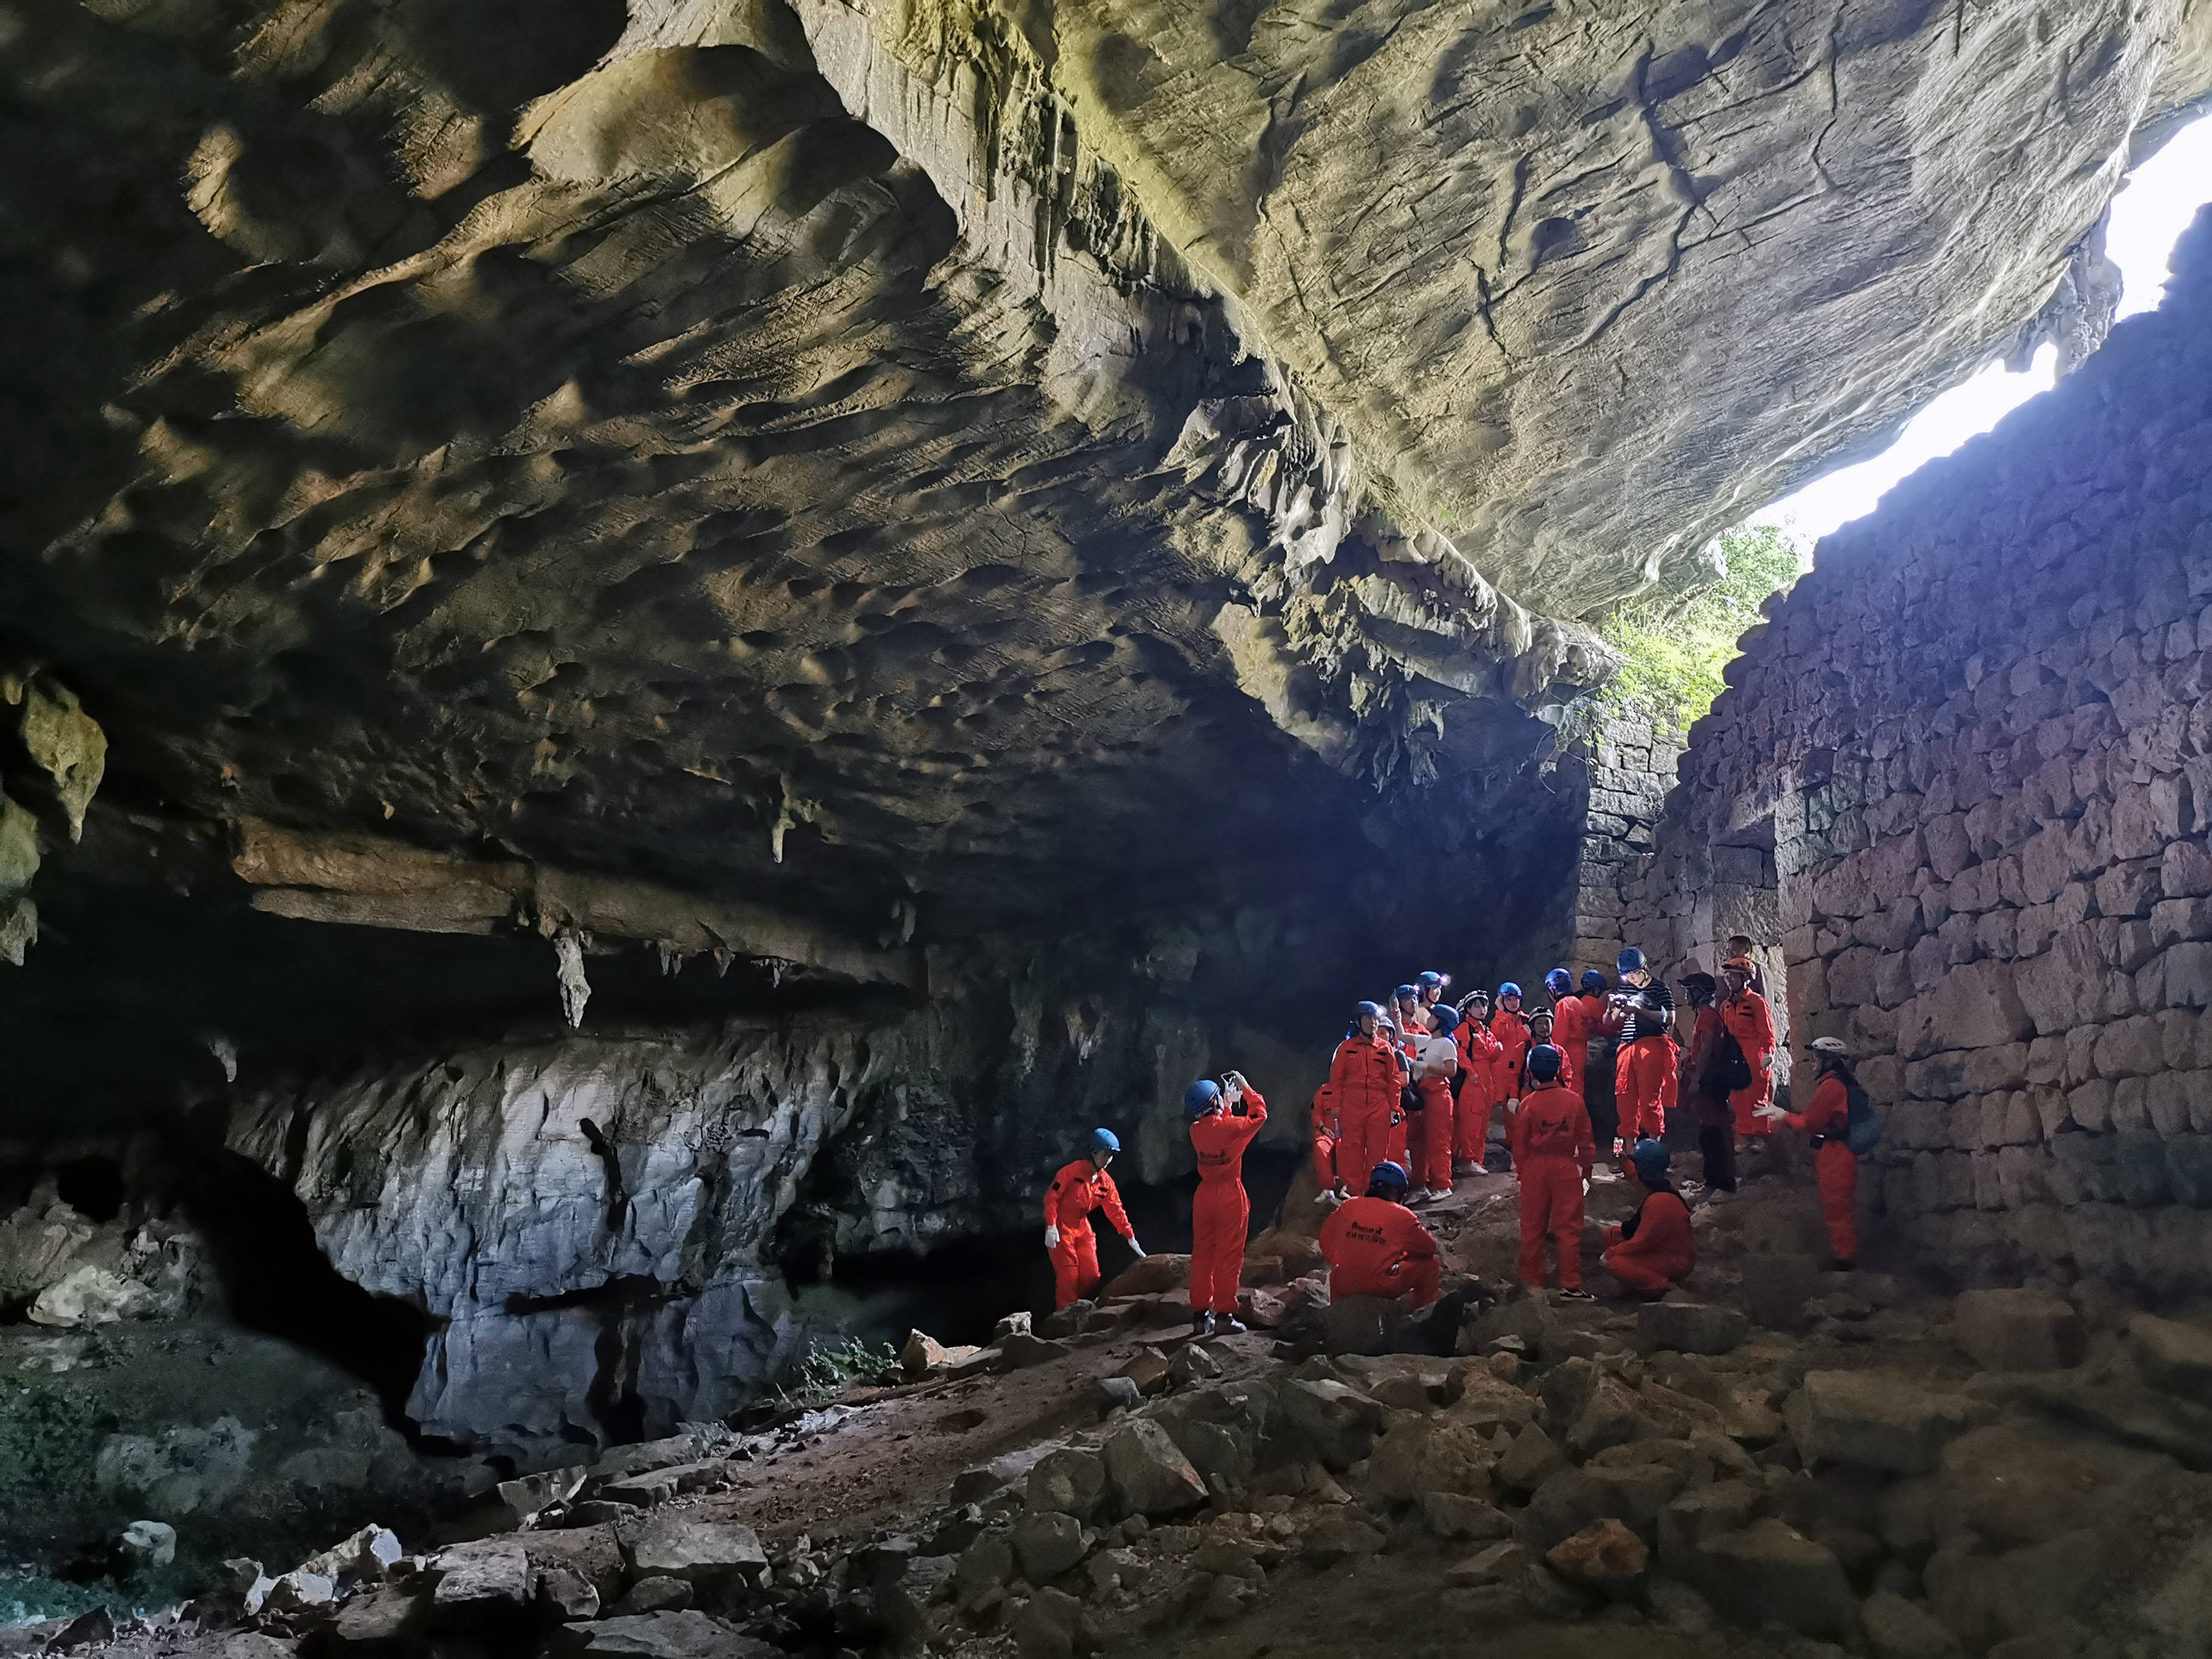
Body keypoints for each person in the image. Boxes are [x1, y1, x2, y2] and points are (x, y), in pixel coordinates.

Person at [1757, 1037, 1860, 1270]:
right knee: (1836, 1203)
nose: (1813, 1062)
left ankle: (1845, 1260)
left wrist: (1782, 1115)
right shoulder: (1839, 1082)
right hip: (1836, 1149)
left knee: (1837, 1204)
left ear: (1828, 1061)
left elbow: (1809, 1122)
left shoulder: (1832, 1086)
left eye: (1817, 1057)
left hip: (1837, 1152)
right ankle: (1843, 1254)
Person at [1509, 1044, 1595, 1301]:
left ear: (1530, 1070)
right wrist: (1586, 1171)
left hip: (1536, 1168)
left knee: (1532, 1228)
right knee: (1568, 1229)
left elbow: (1519, 1145)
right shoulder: (1574, 1101)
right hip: (1566, 1167)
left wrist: (1525, 1172)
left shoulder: (1528, 1104)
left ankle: (1532, 1285)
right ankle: (1570, 1285)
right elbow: (1586, 1141)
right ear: (1558, 1068)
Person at [1186, 1073, 1269, 1336]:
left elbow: (1218, 1130)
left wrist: (1227, 1106)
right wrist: (1246, 1089)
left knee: (1202, 1255)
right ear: (1215, 1103)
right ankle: (1224, 1316)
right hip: (1230, 1194)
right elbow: (1259, 1116)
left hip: (1204, 1195)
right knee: (1228, 1256)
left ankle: (1200, 1317)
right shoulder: (1231, 1128)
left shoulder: (1196, 1131)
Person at [1318, 1162, 1441, 1309]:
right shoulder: (1403, 1216)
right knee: (1431, 1263)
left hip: (1344, 1283)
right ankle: (1421, 1313)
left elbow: (1325, 1240)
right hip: (1381, 1286)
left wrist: (1340, 1261)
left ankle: (1336, 1316)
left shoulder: (1348, 1205)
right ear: (1400, 1191)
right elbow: (1430, 1248)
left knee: (1340, 1272)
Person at [1044, 1130, 1144, 1309]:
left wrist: (1130, 1236)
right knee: (1068, 1276)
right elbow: (1052, 1198)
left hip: (1082, 1226)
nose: (1108, 1160)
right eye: (1106, 1154)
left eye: (1111, 1156)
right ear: (1094, 1152)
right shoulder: (1071, 1172)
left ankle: (1075, 1306)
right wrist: (1051, 1225)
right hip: (1061, 1226)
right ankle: (1065, 1319)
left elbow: (1116, 1210)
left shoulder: (1106, 1183)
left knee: (1092, 1275)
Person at [1601, 1139, 1696, 1297]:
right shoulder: (1659, 1185)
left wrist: (1612, 1252)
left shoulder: (1660, 1201)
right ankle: (1641, 1280)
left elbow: (1643, 1241)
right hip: (1663, 1249)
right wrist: (1624, 1161)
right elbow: (1635, 1176)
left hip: (1674, 1260)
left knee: (1615, 1263)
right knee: (1611, 1235)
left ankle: (1660, 1285)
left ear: (1643, 1169)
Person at [1329, 1002, 1403, 1202]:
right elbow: (1336, 1080)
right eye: (1368, 1018)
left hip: (1379, 1105)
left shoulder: (1385, 1048)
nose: (1373, 1023)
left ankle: (1373, 1194)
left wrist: (1394, 1107)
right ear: (1359, 1021)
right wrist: (1336, 1105)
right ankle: (1353, 1193)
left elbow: (1394, 1079)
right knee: (1352, 1149)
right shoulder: (1346, 1049)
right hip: (1352, 1104)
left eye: (1376, 1018)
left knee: (1378, 1151)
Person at [1678, 972, 1737, 1198]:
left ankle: (1720, 1183)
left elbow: (1707, 1049)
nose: (1686, 994)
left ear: (1699, 993)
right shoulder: (1705, 1015)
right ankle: (1715, 1181)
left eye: (1689, 990)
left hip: (1709, 1081)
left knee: (1712, 1131)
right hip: (1709, 1078)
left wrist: (1697, 1079)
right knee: (1711, 1129)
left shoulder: (1707, 1016)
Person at [1609, 948, 1677, 1143]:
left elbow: (1669, 1019)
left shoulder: (1659, 989)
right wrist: (1612, 1008)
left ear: (1645, 968)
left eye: (1635, 973)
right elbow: (1611, 1021)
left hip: (1651, 1045)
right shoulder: (1625, 989)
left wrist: (1641, 1010)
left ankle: (1653, 1149)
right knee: (1625, 1099)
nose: (1632, 978)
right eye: (1627, 975)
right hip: (1627, 1047)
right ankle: (1629, 1152)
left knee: (1650, 1099)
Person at [1718, 955, 1778, 1139]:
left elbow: (1766, 1030)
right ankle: (1745, 1138)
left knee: (1757, 1098)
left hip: (1754, 1056)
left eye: (1733, 976)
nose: (1729, 980)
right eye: (1727, 976)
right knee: (1738, 1098)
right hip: (1735, 1056)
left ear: (1745, 978)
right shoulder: (1726, 1005)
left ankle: (1761, 1138)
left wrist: (1768, 1053)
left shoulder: (1756, 1002)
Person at [1407, 1012, 1460, 1203]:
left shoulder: (1446, 1044)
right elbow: (1401, 1035)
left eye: (1431, 1017)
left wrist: (1426, 1066)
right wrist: (1396, 1011)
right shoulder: (1424, 1041)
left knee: (1438, 1141)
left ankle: (1443, 1185)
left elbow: (1452, 1071)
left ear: (1440, 1021)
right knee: (1417, 1141)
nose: (1427, 1020)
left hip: (1439, 1096)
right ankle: (1421, 1185)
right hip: (1422, 1096)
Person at [1577, 968, 1622, 1176]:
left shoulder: (1577, 1003)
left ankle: (1610, 1153)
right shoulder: (1591, 1004)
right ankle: (1618, 1156)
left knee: (1612, 1118)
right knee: (1618, 1117)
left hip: (1592, 1075)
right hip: (1606, 1077)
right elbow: (1612, 1024)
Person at [1453, 991, 1503, 1176]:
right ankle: (1468, 1159)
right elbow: (1459, 1052)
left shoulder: (1485, 1030)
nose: (1482, 1009)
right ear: (1468, 1009)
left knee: (1483, 1123)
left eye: (1484, 1005)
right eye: (1477, 1005)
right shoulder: (1465, 1028)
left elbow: (1491, 1055)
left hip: (1487, 1078)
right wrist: (1470, 1071)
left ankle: (1477, 1161)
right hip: (1474, 1079)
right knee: (1471, 1122)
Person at [1545, 968, 1588, 1095]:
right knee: (1578, 1088)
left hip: (1569, 1053)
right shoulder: (1578, 1002)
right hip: (1581, 1051)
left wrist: (1550, 1053)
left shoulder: (1563, 1004)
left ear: (1552, 989)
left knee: (1569, 1091)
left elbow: (1560, 1035)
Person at [1310, 1080, 1341, 1201]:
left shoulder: (1353, 1091)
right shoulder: (1323, 1090)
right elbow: (1316, 1112)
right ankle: (1328, 1189)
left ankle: (1350, 1190)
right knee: (1320, 1147)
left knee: (1347, 1149)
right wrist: (1323, 1127)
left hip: (1348, 1134)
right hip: (1327, 1132)